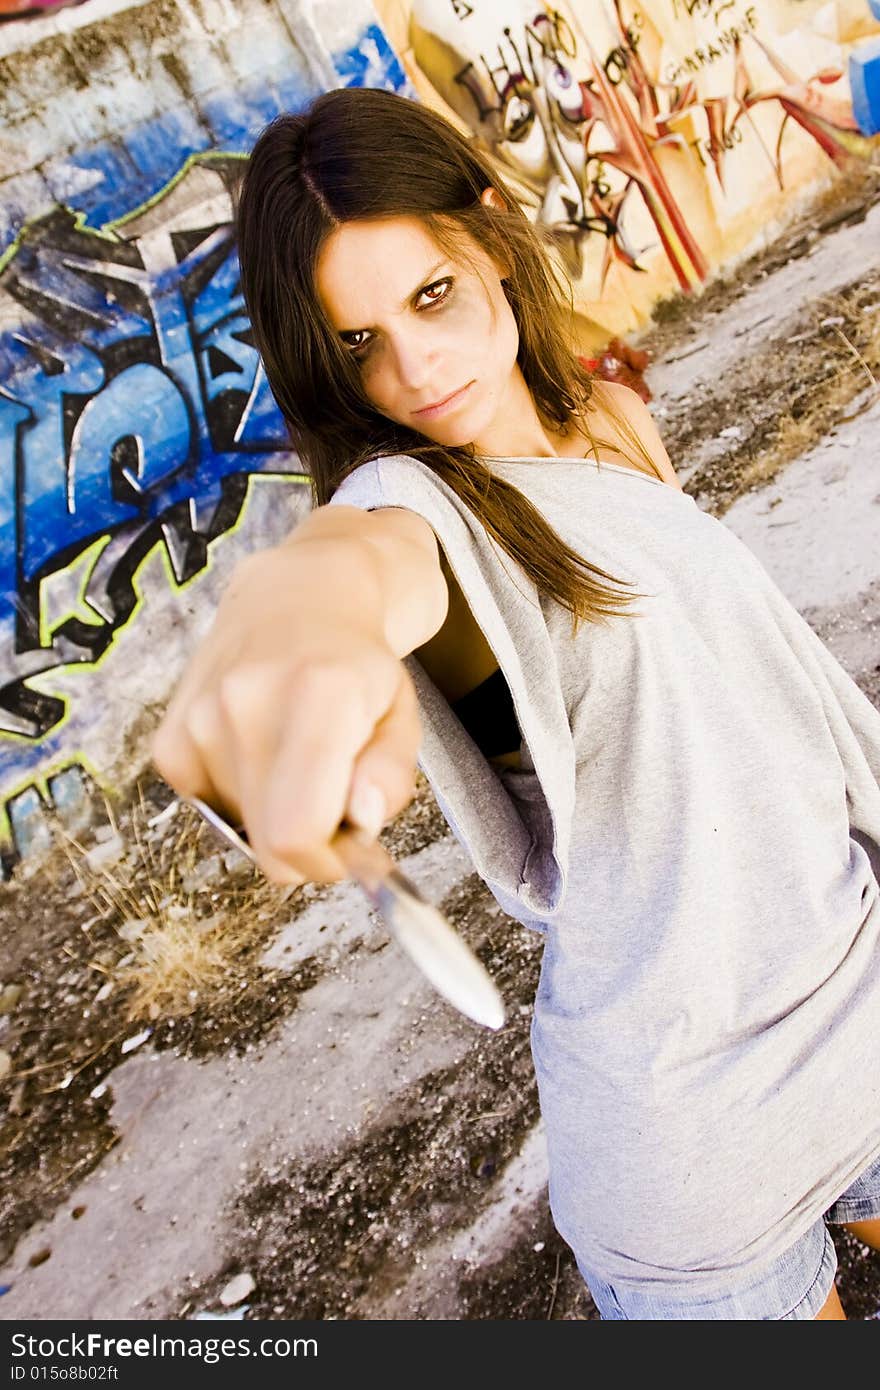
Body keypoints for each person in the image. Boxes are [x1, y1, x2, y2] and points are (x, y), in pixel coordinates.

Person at [151, 85, 880, 1320]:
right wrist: (297, 616)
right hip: (687, 1125)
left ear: (489, 232)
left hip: (849, 978)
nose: (413, 367)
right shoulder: (415, 507)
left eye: (430, 295)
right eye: (354, 343)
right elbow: (365, 563)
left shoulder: (604, 408)